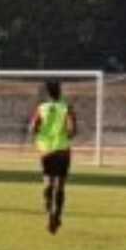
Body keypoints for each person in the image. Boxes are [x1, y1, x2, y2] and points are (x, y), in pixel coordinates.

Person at [30, 81, 77, 234]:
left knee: (48, 180)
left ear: (47, 93)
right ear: (60, 91)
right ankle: (57, 215)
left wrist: (41, 132)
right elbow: (72, 130)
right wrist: (68, 132)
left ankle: (48, 202)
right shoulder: (67, 108)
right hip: (62, 149)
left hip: (46, 150)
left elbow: (33, 128)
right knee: (60, 185)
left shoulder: (41, 108)